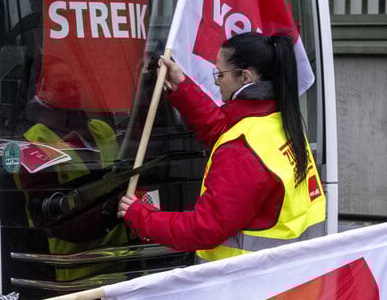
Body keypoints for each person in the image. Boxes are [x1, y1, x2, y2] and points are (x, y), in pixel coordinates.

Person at [117, 32, 326, 262]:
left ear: (245, 77)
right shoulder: (281, 121)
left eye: (220, 74)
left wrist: (141, 217)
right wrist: (183, 88)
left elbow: (204, 228)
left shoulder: (242, 150)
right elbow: (224, 129)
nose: (217, 82)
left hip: (244, 289)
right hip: (288, 281)